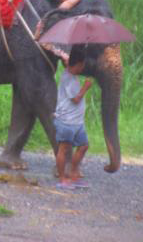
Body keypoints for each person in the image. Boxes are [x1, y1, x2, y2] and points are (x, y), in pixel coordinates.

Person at [54, 49, 92, 190]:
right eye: (82, 65)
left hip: (77, 122)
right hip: (66, 121)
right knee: (63, 149)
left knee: (83, 146)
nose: (83, 68)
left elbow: (66, 60)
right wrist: (85, 88)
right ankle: (63, 178)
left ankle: (73, 174)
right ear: (78, 65)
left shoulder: (72, 75)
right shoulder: (68, 78)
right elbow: (75, 99)